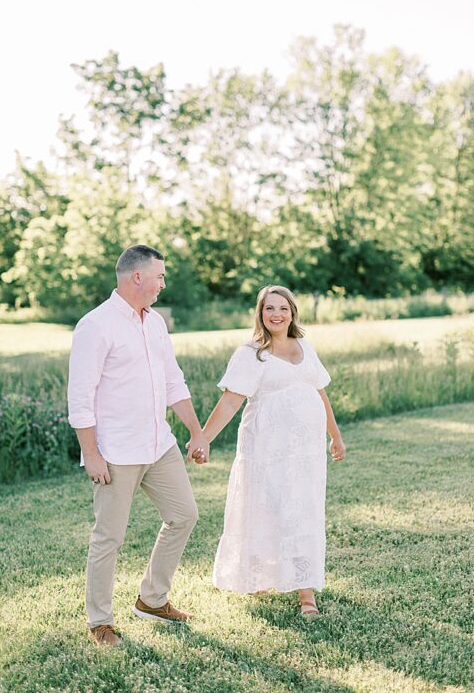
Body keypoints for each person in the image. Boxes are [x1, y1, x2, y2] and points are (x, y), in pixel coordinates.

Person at [68, 244, 208, 647]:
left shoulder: (156, 323)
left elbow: (173, 382)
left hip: (158, 445)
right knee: (108, 537)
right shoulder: (95, 325)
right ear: (137, 277)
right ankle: (99, 620)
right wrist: (92, 454)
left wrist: (196, 432)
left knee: (184, 515)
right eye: (160, 276)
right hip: (115, 452)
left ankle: (152, 599)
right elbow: (81, 396)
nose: (163, 284)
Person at [198, 285, 345, 617]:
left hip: (306, 453)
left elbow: (320, 394)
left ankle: (305, 591)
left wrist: (335, 436)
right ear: (260, 314)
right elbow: (230, 401)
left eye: (283, 308)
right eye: (269, 309)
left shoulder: (304, 346)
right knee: (265, 507)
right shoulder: (252, 353)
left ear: (292, 312)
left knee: (302, 509)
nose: (276, 314)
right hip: (266, 447)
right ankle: (260, 577)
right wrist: (204, 438)